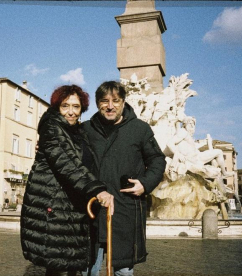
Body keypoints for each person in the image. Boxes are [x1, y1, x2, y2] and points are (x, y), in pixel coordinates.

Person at [20, 85, 114, 276]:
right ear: (57, 107)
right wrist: (97, 190)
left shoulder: (77, 131)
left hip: (72, 210)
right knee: (58, 267)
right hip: (55, 209)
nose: (71, 111)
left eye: (76, 107)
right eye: (65, 106)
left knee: (70, 266)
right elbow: (67, 163)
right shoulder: (52, 127)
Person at [82, 81, 166, 276]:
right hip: (93, 209)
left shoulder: (140, 129)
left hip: (125, 209)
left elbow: (157, 159)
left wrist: (145, 183)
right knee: (88, 271)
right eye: (104, 101)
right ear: (97, 103)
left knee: (123, 272)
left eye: (115, 101)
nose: (110, 106)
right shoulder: (86, 129)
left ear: (123, 102)